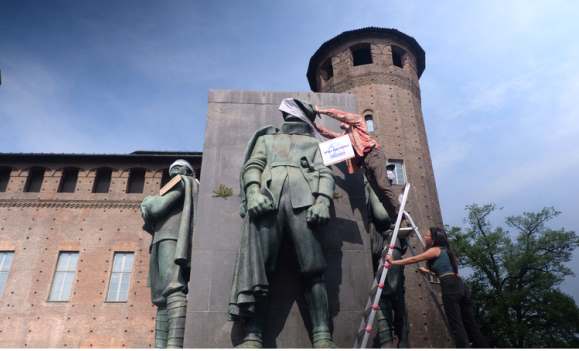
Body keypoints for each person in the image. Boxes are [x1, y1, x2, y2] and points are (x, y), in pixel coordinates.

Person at [228, 98, 336, 348]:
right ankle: (253, 335)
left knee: (313, 268)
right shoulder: (266, 140)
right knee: (260, 270)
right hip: (267, 204)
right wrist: (253, 192)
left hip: (305, 203)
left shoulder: (314, 144)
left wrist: (322, 201)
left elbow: (324, 174)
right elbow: (252, 166)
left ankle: (322, 336)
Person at [386, 227, 489, 348]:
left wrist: (393, 262)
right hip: (460, 285)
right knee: (471, 322)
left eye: (427, 235)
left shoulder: (435, 250)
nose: (425, 237)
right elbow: (445, 271)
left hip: (450, 287)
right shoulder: (447, 251)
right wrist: (428, 272)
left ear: (434, 239)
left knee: (456, 323)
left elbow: (414, 259)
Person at [140, 160, 198, 348]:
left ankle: (174, 343)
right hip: (160, 238)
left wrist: (148, 202)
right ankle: (160, 344)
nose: (174, 171)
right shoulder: (174, 185)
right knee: (161, 297)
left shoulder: (182, 182)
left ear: (187, 171)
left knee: (173, 287)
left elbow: (157, 209)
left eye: (178, 168)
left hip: (171, 236)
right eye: (172, 169)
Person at [314, 107, 400, 223]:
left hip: (373, 154)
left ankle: (399, 212)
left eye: (343, 121)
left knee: (382, 185)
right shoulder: (345, 138)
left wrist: (321, 111)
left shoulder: (358, 122)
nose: (341, 122)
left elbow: (340, 114)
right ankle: (395, 218)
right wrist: (313, 125)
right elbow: (328, 134)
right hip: (365, 163)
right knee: (378, 192)